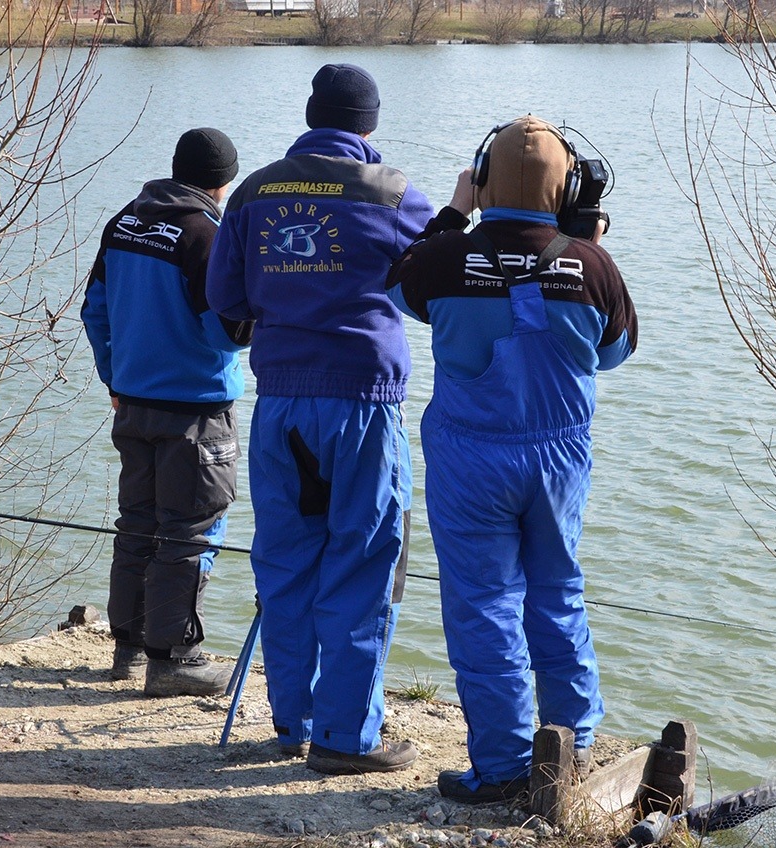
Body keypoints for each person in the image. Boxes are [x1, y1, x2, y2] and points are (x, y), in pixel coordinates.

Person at [386, 116, 637, 803]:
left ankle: (500, 768)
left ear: (484, 176)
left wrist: (454, 212)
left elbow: (395, 281)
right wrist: (582, 245)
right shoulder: (591, 265)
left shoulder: (444, 257)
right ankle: (571, 753)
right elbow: (614, 354)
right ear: (570, 187)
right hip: (558, 461)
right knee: (558, 594)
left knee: (484, 606)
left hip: (471, 460)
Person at [206, 64, 434, 774]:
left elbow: (226, 302)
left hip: (279, 405)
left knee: (286, 561)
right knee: (363, 563)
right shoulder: (395, 193)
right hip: (363, 403)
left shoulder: (252, 191)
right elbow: (436, 289)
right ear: (367, 124)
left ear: (312, 115)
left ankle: (290, 725)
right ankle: (344, 737)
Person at [81, 127, 252, 697]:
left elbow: (94, 310)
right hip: (196, 411)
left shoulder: (124, 221)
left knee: (137, 524)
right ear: (223, 183)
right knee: (189, 532)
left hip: (133, 405)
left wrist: (115, 377)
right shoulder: (206, 235)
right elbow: (226, 333)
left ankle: (127, 648)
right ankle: (175, 657)